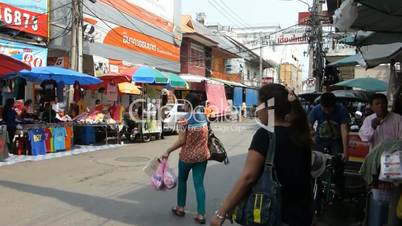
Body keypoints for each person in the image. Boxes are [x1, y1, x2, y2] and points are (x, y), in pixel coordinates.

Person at [210, 84, 313, 226]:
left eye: (259, 105)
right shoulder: (301, 134)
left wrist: (221, 213)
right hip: (302, 215)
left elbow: (248, 178)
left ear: (269, 108)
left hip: (274, 216)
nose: (257, 110)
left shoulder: (265, 135)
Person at [162, 93, 210, 224]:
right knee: (199, 184)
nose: (183, 105)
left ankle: (180, 208)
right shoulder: (204, 117)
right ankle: (201, 215)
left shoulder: (184, 120)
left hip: (186, 158)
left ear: (188, 104)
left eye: (184, 103)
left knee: (182, 181)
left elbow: (181, 140)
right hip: (202, 156)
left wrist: (168, 151)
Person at [309, 92, 351, 158]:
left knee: (337, 161)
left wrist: (345, 152)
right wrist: (311, 137)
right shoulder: (316, 110)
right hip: (320, 140)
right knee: (318, 161)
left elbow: (344, 131)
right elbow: (308, 125)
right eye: (324, 109)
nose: (327, 111)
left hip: (336, 141)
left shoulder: (341, 110)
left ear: (334, 105)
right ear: (321, 105)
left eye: (329, 109)